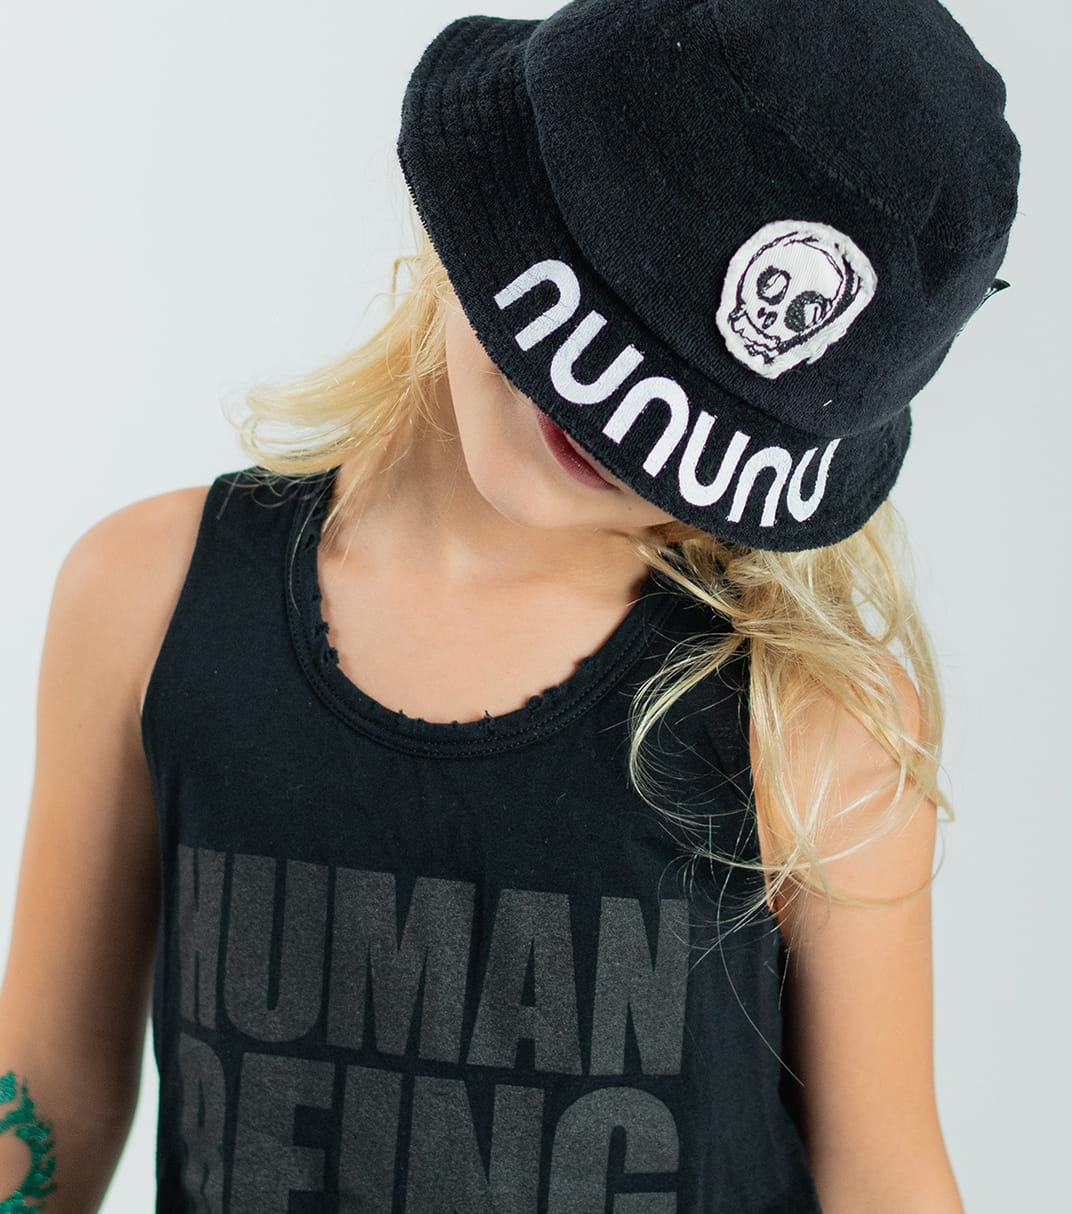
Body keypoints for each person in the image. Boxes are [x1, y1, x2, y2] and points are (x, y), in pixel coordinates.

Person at [0, 0, 1019, 1210]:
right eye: (612, 311)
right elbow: (50, 1082)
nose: (596, 427)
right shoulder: (147, 595)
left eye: (680, 387)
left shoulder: (807, 720)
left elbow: (883, 1172)